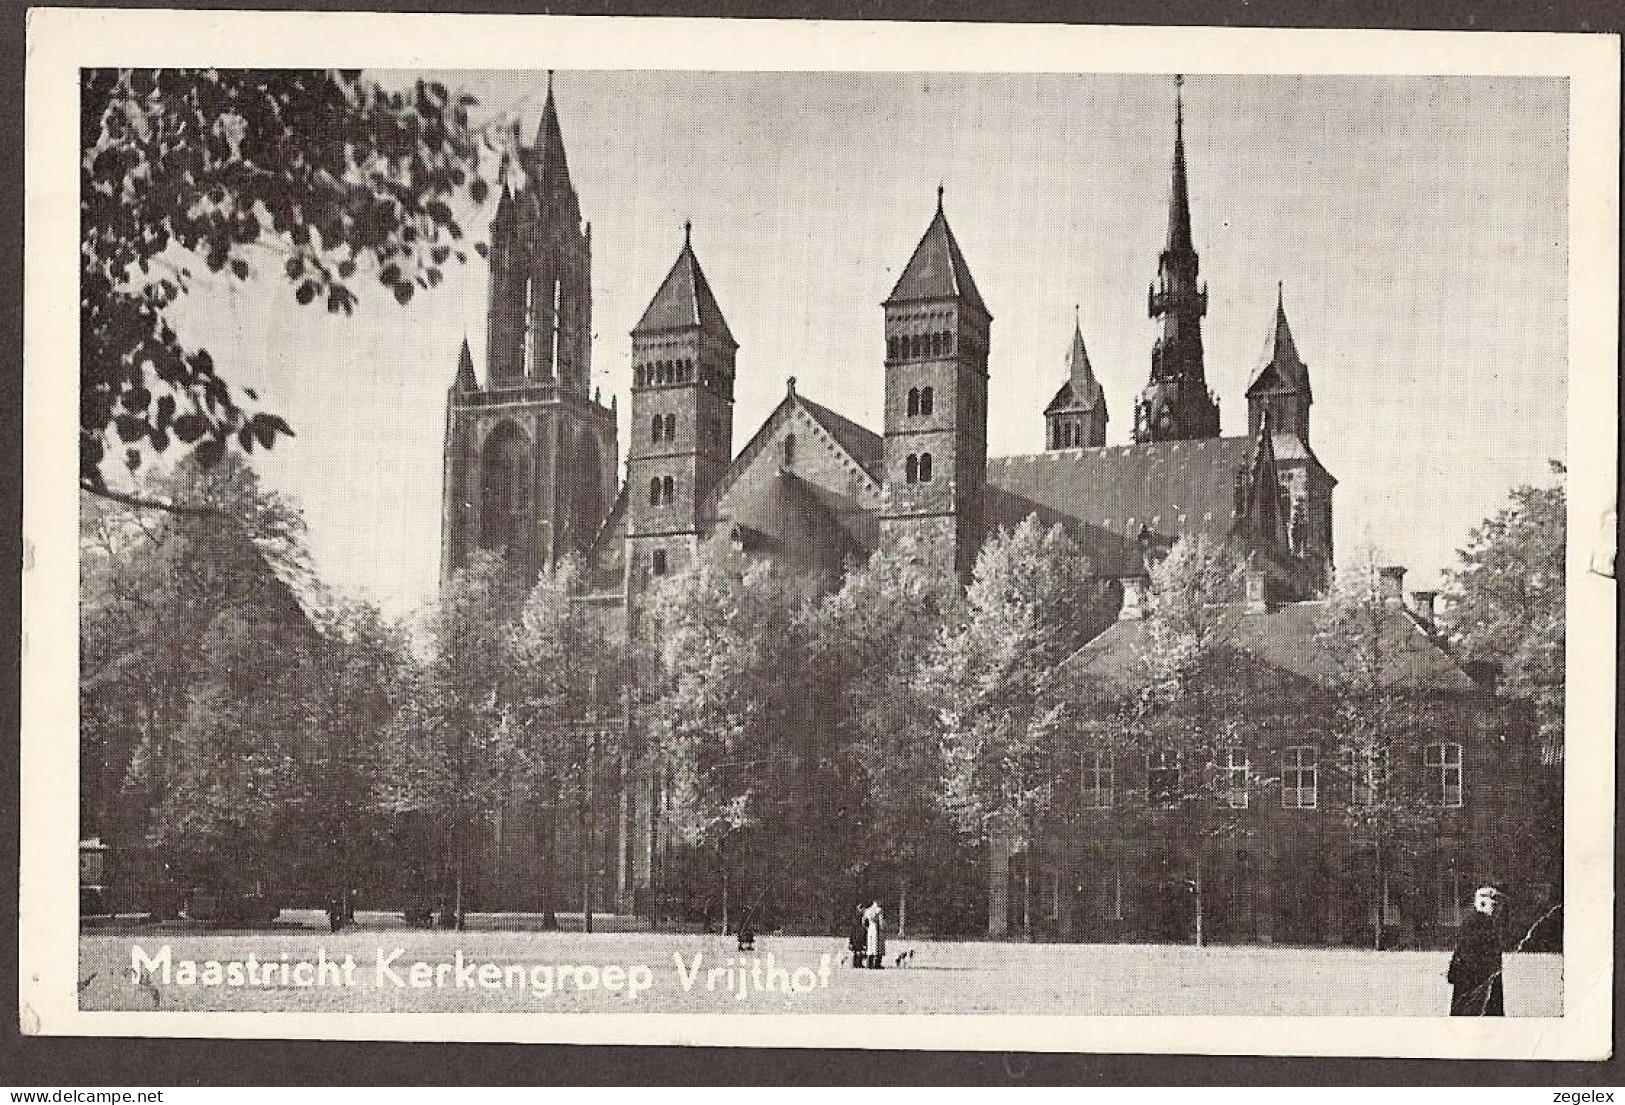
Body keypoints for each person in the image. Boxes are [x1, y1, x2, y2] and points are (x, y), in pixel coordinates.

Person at [1448, 885, 1506, 1015]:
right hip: (1477, 982)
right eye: (1495, 905)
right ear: (1484, 903)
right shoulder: (1481, 923)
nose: (1498, 909)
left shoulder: (1475, 921)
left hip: (1475, 982)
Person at [862, 898, 886, 969]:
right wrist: (883, 928)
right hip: (876, 928)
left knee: (870, 945)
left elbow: (863, 921)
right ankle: (876, 964)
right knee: (877, 946)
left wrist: (866, 927)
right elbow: (881, 922)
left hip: (870, 928)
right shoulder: (879, 910)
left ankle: (868, 964)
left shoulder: (868, 910)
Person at [848, 903, 867, 968]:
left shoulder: (855, 916)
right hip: (859, 935)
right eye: (863, 909)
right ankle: (858, 963)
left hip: (855, 935)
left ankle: (855, 963)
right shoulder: (861, 916)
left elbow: (853, 928)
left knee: (856, 950)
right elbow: (862, 926)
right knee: (859, 950)